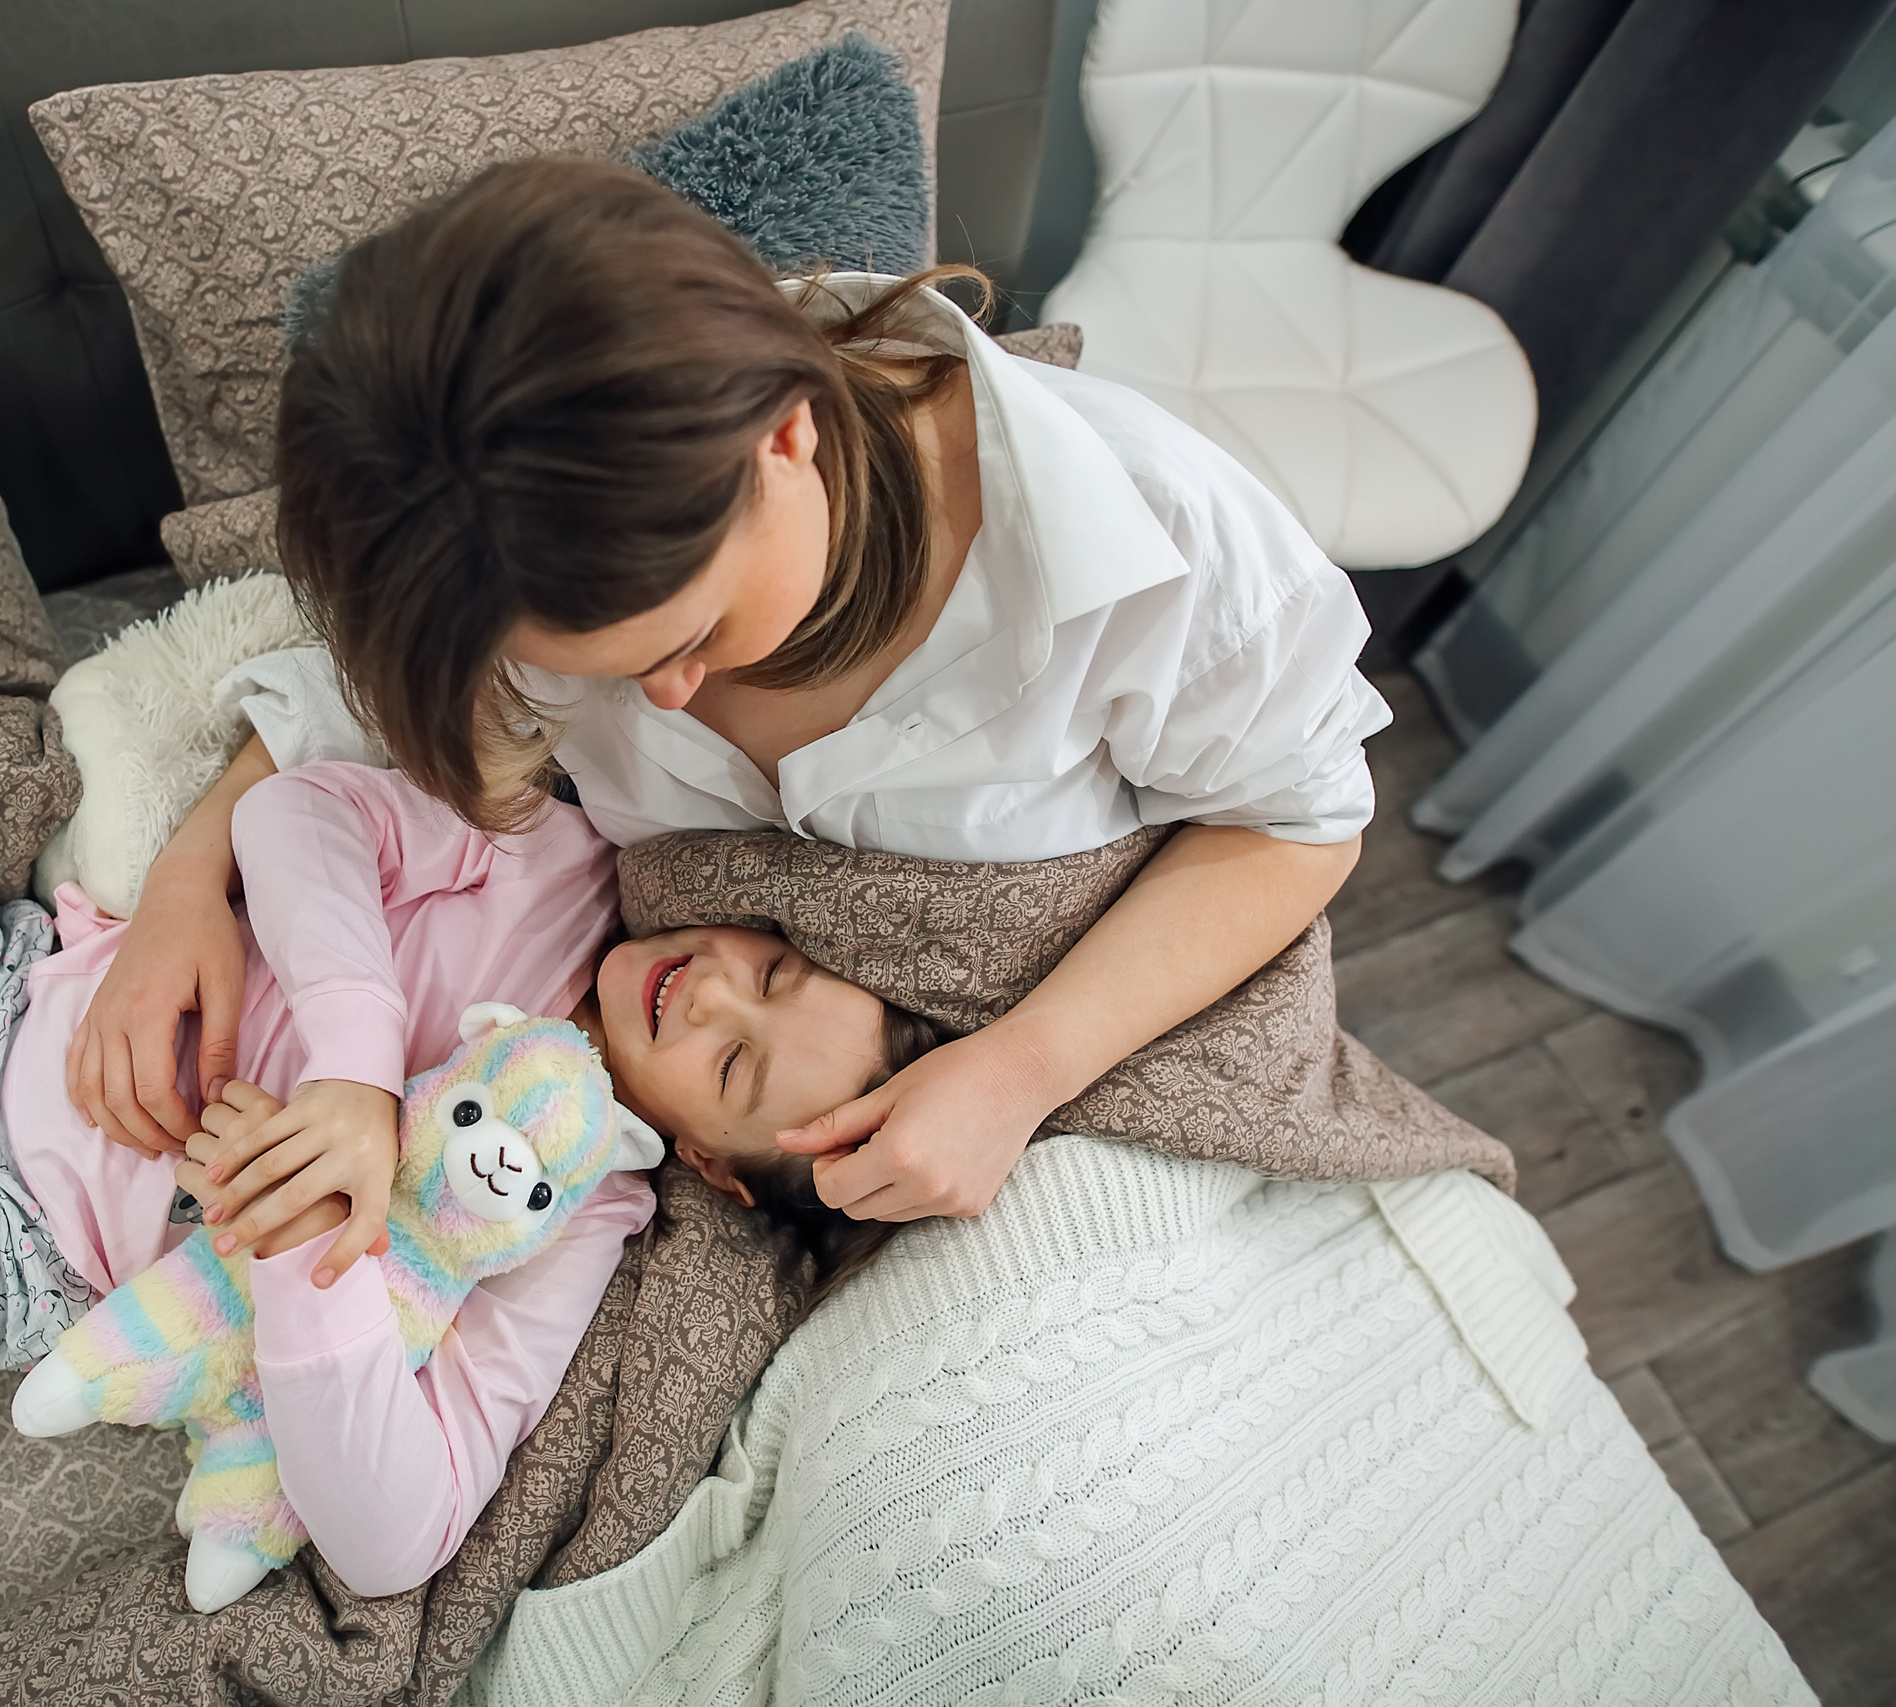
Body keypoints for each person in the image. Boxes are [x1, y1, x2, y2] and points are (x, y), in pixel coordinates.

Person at [0, 727, 933, 1706]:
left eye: (733, 1061)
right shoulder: (560, 855)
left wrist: (301, 1251)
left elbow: (399, 1534)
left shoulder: (568, 1215)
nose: (715, 987)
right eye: (776, 969)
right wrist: (351, 1069)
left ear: (719, 1171)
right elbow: (308, 818)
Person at [68, 156, 1385, 1252]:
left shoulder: (1162, 551)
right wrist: (188, 883)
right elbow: (380, 700)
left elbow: (1299, 823)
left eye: (690, 636)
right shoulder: (491, 532)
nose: (667, 699)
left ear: (789, 433)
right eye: (598, 672)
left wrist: (1024, 1066)